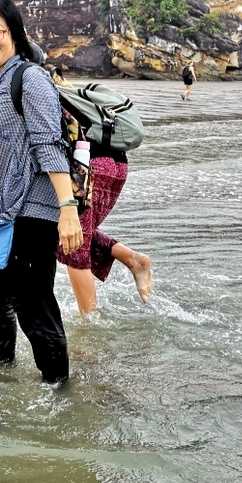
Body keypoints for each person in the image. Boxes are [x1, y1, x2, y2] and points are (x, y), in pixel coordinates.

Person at [0, 0, 82, 386]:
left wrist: (67, 209)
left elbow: (49, 144)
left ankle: (58, 391)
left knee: (33, 304)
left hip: (34, 210)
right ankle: (3, 370)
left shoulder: (29, 79)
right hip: (2, 212)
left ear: (13, 32)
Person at [49, 67, 155, 315]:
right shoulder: (72, 94)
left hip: (91, 168)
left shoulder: (42, 95)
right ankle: (132, 259)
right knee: (67, 229)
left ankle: (88, 327)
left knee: (74, 246)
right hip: (115, 166)